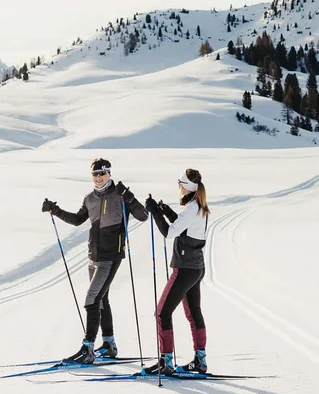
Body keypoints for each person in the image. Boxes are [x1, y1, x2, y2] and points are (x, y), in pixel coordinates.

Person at [43, 158, 148, 364]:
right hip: (93, 256)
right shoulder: (90, 198)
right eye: (95, 174)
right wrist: (55, 210)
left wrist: (130, 197)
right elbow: (77, 220)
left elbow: (143, 215)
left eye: (102, 173)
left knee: (92, 298)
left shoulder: (120, 195)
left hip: (111, 257)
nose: (98, 177)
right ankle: (109, 344)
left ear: (109, 173)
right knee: (101, 300)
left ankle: (88, 348)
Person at [144, 168, 210, 375]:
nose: (179, 188)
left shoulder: (192, 209)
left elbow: (170, 232)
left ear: (186, 187)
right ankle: (200, 360)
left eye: (180, 184)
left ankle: (166, 362)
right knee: (193, 314)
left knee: (162, 313)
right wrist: (166, 211)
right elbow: (183, 227)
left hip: (184, 269)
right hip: (196, 268)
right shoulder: (200, 206)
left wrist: (155, 212)